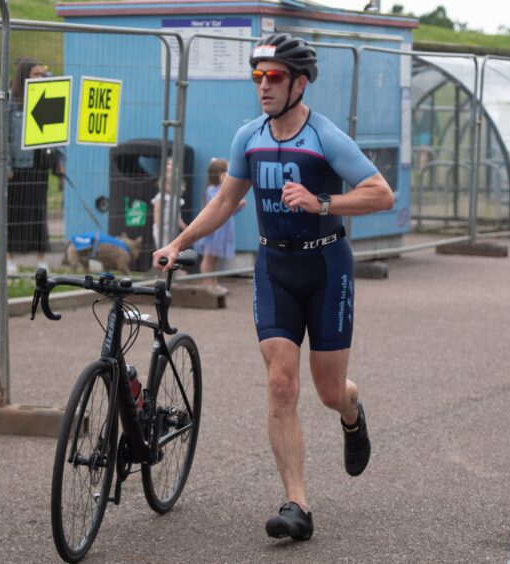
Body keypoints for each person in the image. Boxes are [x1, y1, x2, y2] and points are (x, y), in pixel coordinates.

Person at [153, 34, 394, 541]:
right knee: (281, 385)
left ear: (299, 83)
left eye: (274, 76)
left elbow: (380, 193)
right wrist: (177, 243)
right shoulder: (249, 137)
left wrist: (322, 202)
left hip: (327, 268)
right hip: (275, 268)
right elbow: (223, 203)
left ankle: (352, 413)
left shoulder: (326, 137)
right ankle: (296, 506)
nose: (263, 85)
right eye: (257, 75)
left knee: (330, 391)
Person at [6, 57, 65, 275]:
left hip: (40, 164)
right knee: (14, 213)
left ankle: (41, 259)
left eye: (42, 73)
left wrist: (60, 162)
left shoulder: (48, 96)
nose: (40, 78)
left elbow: (58, 131)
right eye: (36, 74)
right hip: (19, 167)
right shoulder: (12, 102)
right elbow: (4, 136)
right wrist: (6, 166)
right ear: (25, 76)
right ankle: (9, 257)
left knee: (39, 212)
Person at [193, 158, 245, 294]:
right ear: (219, 174)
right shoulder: (212, 190)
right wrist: (236, 203)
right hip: (213, 232)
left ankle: (214, 284)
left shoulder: (223, 190)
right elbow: (218, 208)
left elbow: (228, 213)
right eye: (226, 172)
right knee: (208, 258)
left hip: (222, 230)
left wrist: (238, 206)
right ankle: (207, 284)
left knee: (214, 259)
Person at [151, 158, 187, 248]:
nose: (171, 187)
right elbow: (157, 211)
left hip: (172, 229)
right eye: (168, 184)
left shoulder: (176, 198)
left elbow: (177, 214)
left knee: (172, 248)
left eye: (174, 184)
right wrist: (159, 225)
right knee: (162, 248)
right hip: (161, 229)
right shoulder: (161, 197)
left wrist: (182, 225)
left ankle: (169, 262)